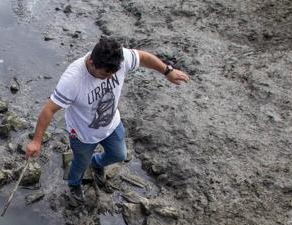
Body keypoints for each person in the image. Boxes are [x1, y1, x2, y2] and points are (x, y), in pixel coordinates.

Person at [25, 36, 190, 204]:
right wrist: (36, 141)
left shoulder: (118, 58)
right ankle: (74, 184)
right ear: (91, 62)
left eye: (113, 73)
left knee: (119, 154)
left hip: (111, 124)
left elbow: (142, 57)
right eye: (104, 74)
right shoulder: (73, 80)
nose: (111, 78)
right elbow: (49, 109)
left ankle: (96, 163)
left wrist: (168, 71)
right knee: (79, 165)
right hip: (82, 134)